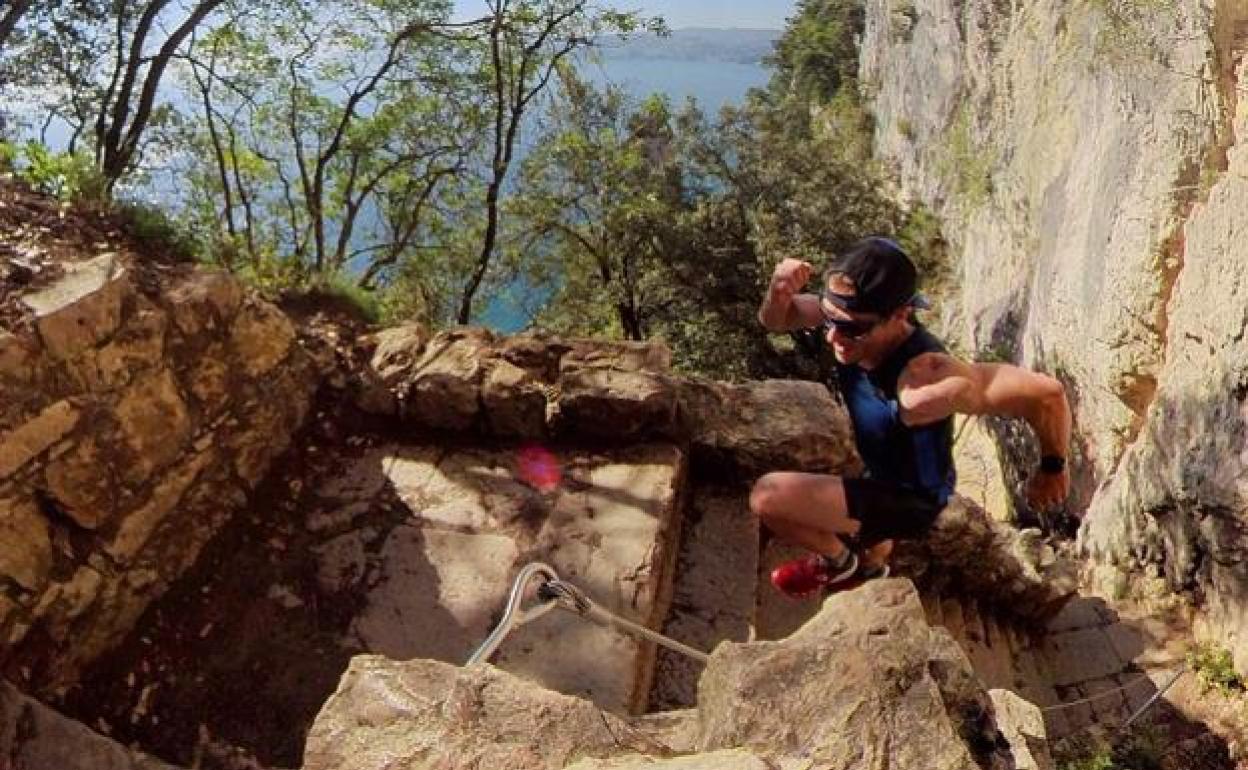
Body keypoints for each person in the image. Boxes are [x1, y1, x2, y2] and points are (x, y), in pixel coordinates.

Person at [752, 236, 1072, 597]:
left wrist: (1053, 467)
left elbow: (1047, 393)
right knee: (872, 526)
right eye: (829, 320)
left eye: (853, 328)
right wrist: (778, 292)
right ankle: (873, 565)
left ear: (900, 315)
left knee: (767, 497)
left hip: (912, 500)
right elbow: (778, 320)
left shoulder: (928, 378)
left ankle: (841, 564)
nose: (833, 338)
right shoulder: (850, 320)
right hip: (886, 468)